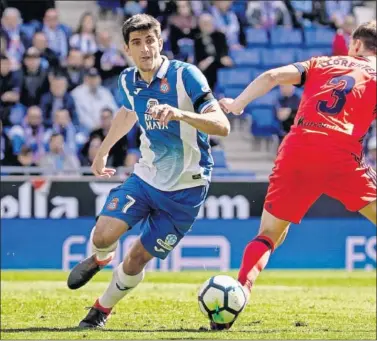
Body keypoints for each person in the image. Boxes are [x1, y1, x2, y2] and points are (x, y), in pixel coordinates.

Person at [66, 13, 230, 329]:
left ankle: (100, 310)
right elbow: (128, 112)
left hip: (187, 189)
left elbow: (222, 125)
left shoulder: (186, 76)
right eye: (137, 43)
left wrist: (180, 114)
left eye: (150, 40)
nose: (145, 49)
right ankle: (101, 259)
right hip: (146, 177)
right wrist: (103, 151)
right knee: (101, 236)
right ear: (128, 49)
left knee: (137, 259)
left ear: (160, 42)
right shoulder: (128, 79)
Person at [218, 20, 376, 330]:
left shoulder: (322, 62)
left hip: (299, 147)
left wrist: (238, 105)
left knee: (268, 236)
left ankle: (238, 295)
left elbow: (272, 75)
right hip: (342, 154)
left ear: (355, 44)